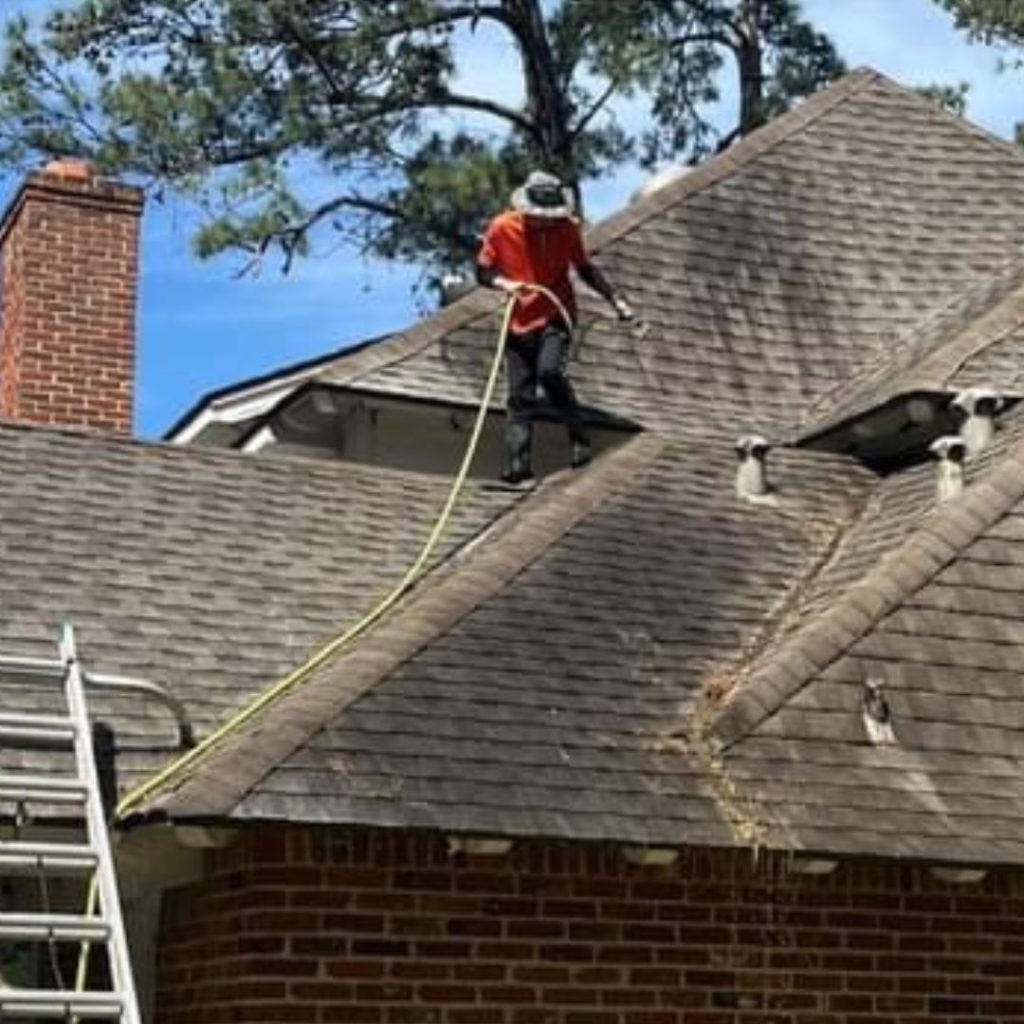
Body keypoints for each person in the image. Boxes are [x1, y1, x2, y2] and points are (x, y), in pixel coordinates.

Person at [476, 170, 634, 485]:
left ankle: (578, 438)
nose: (544, 222)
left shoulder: (566, 230)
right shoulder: (502, 228)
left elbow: (585, 269)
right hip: (519, 317)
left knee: (549, 372)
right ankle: (518, 465)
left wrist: (616, 300)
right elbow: (482, 271)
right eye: (538, 217)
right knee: (519, 394)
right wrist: (504, 282)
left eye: (550, 217)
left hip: (555, 312)